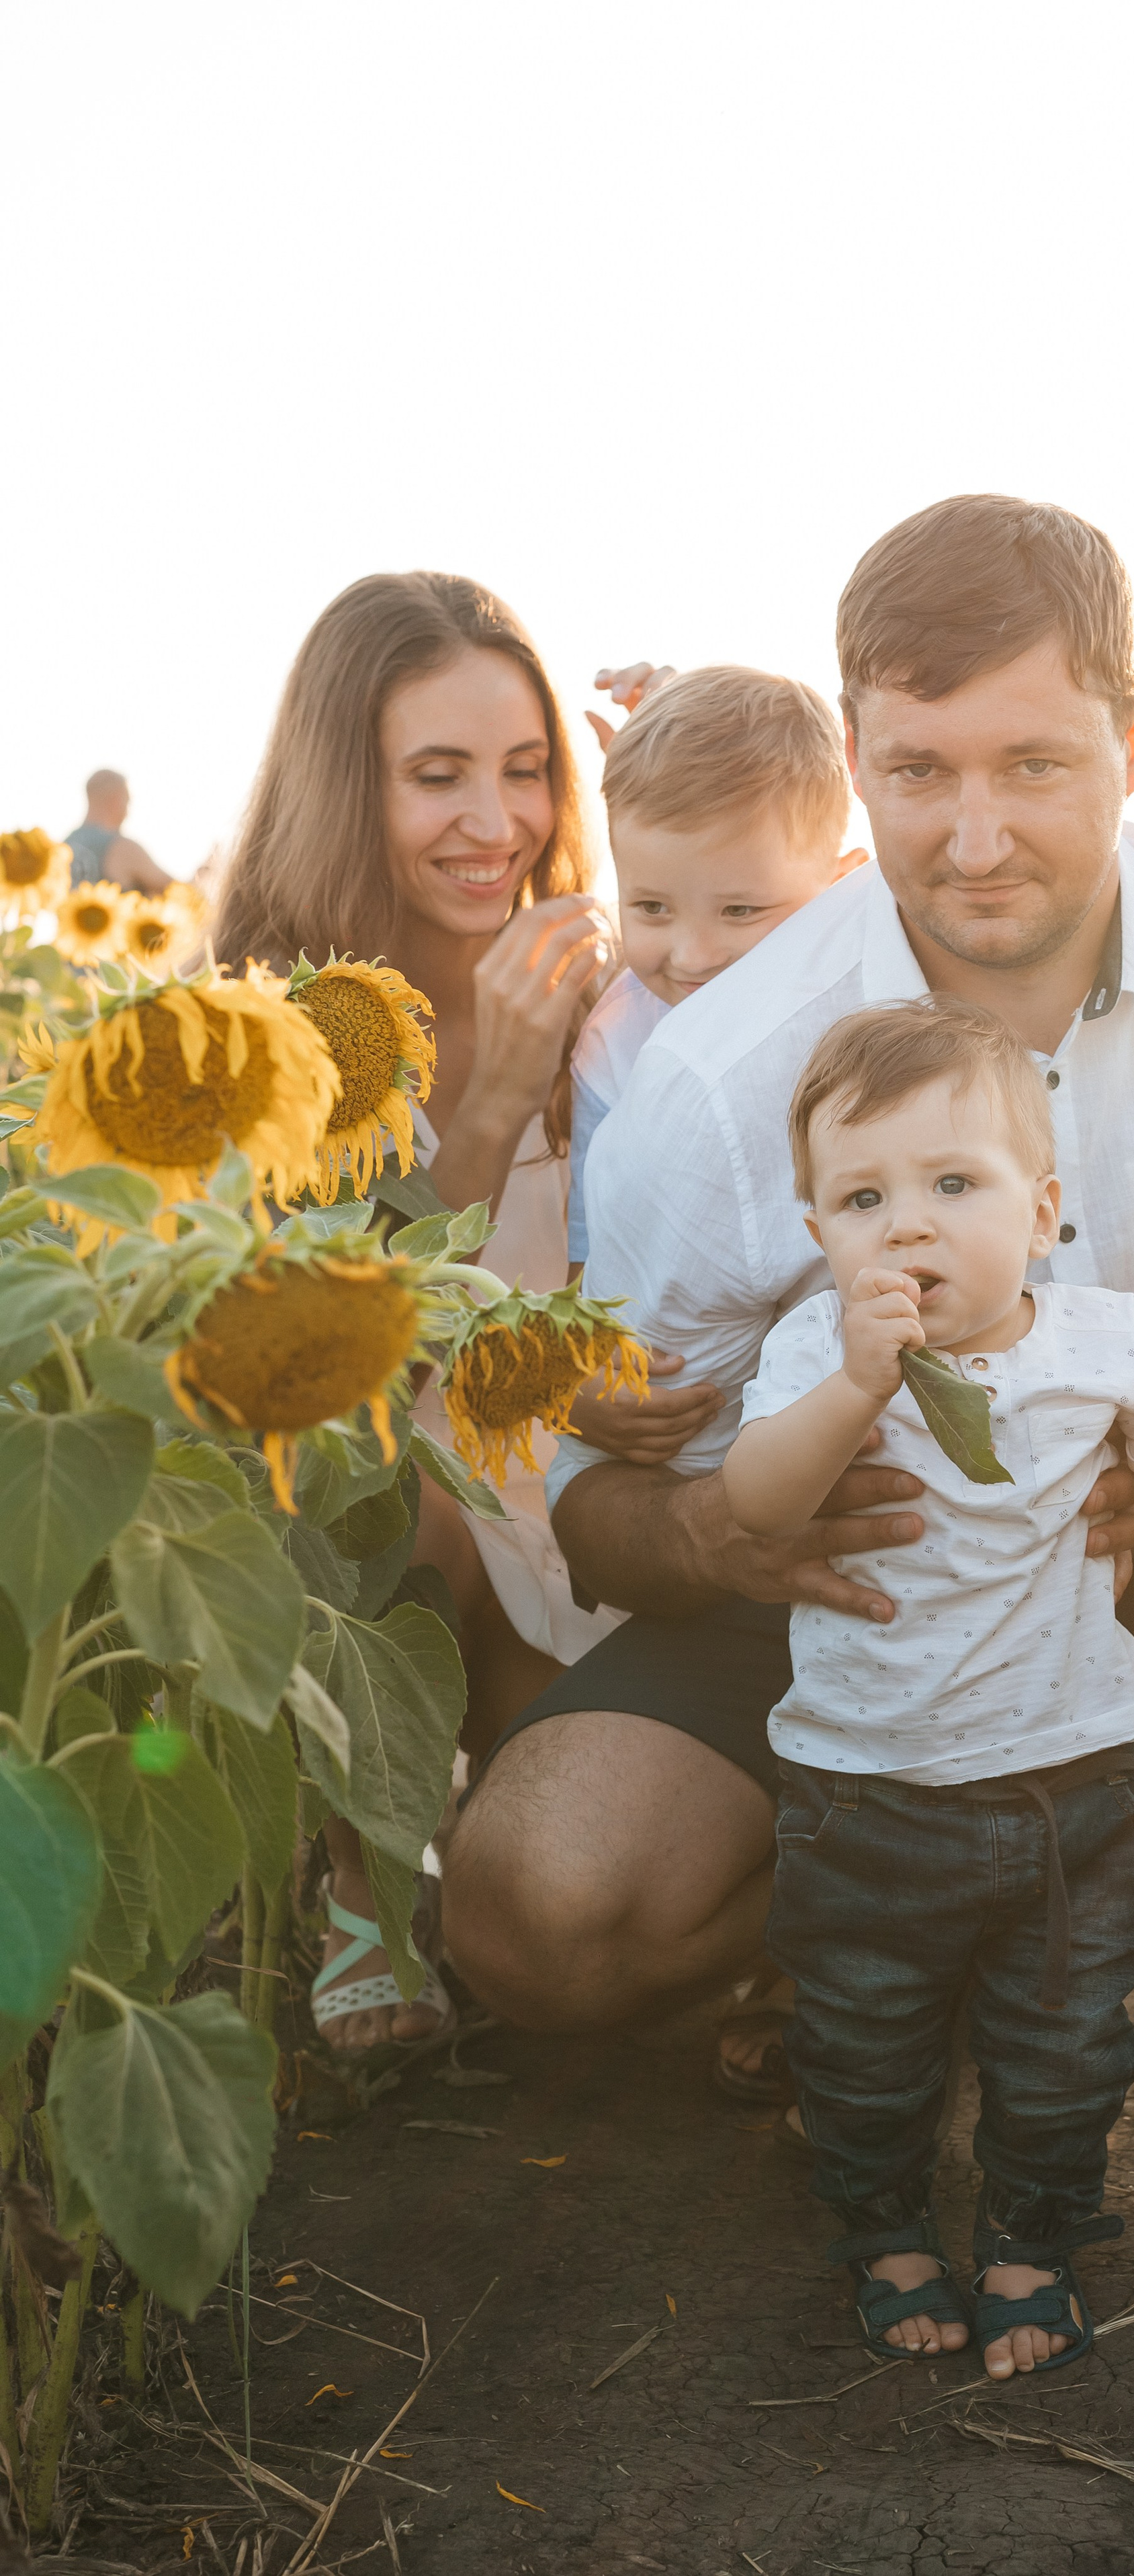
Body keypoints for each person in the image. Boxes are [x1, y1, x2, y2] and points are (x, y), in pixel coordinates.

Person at [443, 494, 1134, 2336]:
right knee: (537, 1908)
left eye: (1038, 762)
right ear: (857, 753)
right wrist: (728, 1529)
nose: (975, 838)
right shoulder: (730, 1074)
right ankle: (878, 1948)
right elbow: (594, 1486)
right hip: (844, 1633)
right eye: (920, 772)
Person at [726, 996, 1134, 2377]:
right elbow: (754, 1501)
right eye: (861, 1197)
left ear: (1040, 1213)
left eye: (950, 1185)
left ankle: (1031, 2239)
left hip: (1067, 1783)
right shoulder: (815, 1357)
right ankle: (885, 2228)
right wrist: (855, 1384)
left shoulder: (1103, 1339)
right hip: (866, 1789)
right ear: (817, 1238)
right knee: (857, 2040)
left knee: (1066, 2044)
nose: (905, 1225)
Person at [213, 570, 611, 2056]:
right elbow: (331, 1340)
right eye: (435, 777)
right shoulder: (284, 1024)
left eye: (525, 772)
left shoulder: (606, 983)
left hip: (585, 1486)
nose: (493, 824)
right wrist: (495, 1096)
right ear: (344, 785)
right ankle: (360, 1880)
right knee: (378, 1483)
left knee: (562, 1894)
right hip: (397, 1509)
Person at [566, 664, 867, 1276]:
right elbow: (591, 1247)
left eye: (740, 911)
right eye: (652, 908)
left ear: (841, 886)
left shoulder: (870, 1003)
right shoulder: (613, 1045)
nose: (694, 955)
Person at [64, 769, 172, 893]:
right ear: (116, 801)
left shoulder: (62, 848)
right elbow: (178, 892)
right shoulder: (122, 848)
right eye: (127, 801)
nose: (127, 813)